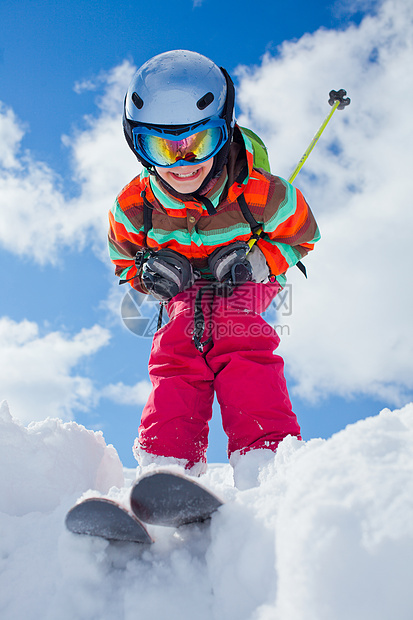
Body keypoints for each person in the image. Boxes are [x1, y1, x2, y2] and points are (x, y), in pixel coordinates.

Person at [108, 50, 320, 482]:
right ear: (137, 145)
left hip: (244, 277)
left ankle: (266, 455)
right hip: (184, 288)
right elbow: (123, 260)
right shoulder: (133, 209)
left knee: (231, 329)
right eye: (162, 147)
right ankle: (168, 465)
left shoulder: (262, 195)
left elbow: (302, 236)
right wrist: (150, 275)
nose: (182, 164)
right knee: (176, 346)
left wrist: (259, 261)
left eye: (198, 143)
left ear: (224, 132)